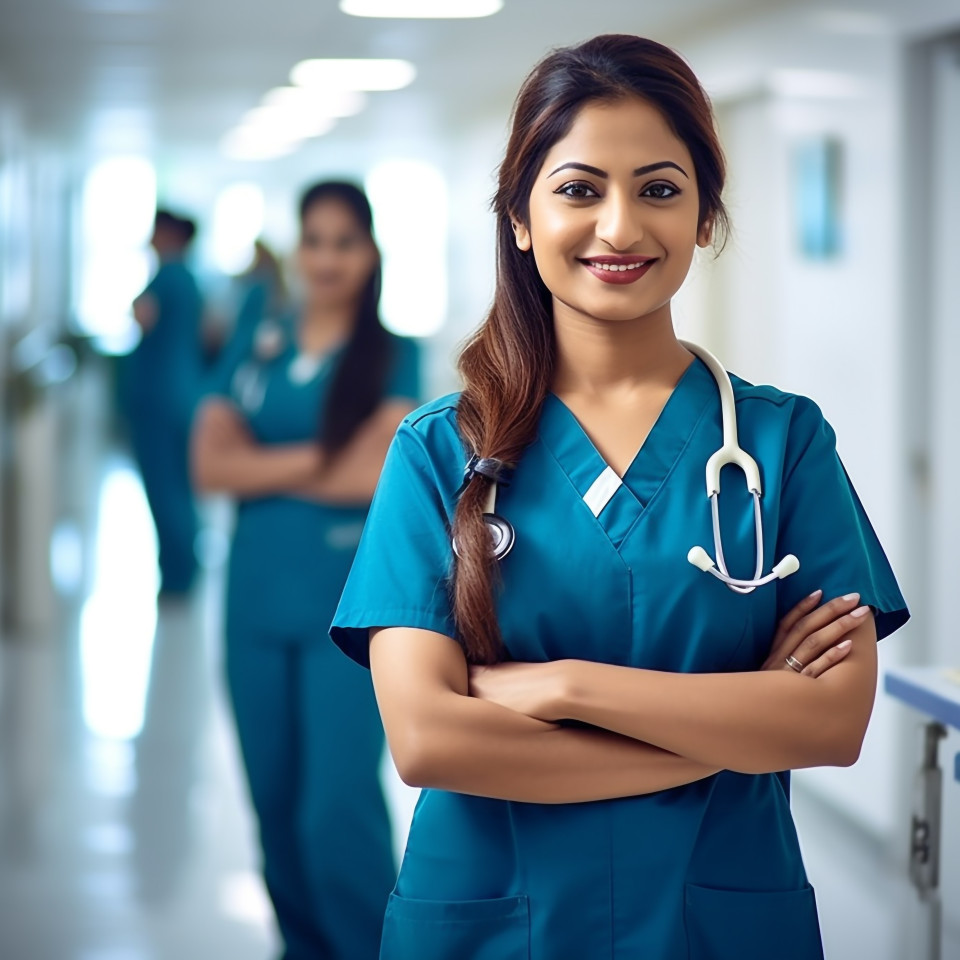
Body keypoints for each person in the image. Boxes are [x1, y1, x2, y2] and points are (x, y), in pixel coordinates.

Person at [329, 35, 909, 960]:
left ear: (706, 218)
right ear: (519, 217)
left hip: (715, 921)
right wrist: (741, 720)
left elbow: (833, 723)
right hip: (493, 922)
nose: (620, 227)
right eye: (579, 188)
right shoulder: (441, 450)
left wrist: (565, 688)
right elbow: (430, 739)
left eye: (660, 189)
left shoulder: (781, 442)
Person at [191, 181, 420, 960]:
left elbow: (374, 475)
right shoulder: (261, 333)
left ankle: (368, 948)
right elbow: (206, 463)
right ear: (297, 249)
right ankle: (302, 947)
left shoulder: (393, 352)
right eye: (314, 240)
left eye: (344, 242)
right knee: (274, 799)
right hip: (253, 603)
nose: (326, 259)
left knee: (338, 805)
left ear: (370, 254)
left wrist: (261, 463)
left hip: (346, 613)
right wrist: (320, 460)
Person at [127, 209, 204, 596]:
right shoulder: (189, 278)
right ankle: (183, 568)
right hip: (182, 394)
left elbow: (143, 319)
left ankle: (176, 574)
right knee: (179, 485)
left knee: (165, 487)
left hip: (159, 400)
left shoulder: (167, 277)